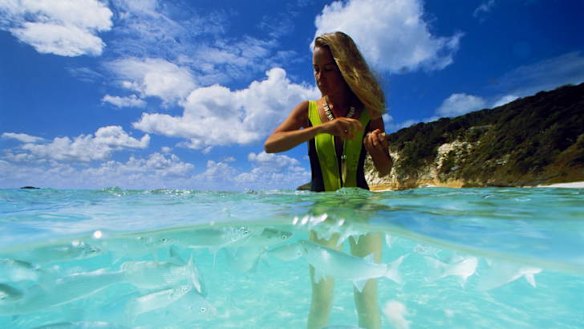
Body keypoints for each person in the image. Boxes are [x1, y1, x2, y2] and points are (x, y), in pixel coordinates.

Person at [264, 31, 392, 329]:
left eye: (329, 69)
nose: (321, 77)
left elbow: (384, 170)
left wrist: (378, 150)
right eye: (316, 70)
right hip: (320, 211)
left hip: (363, 210)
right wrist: (321, 129)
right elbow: (271, 144)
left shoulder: (368, 111)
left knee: (366, 297)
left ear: (347, 68)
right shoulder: (307, 110)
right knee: (321, 297)